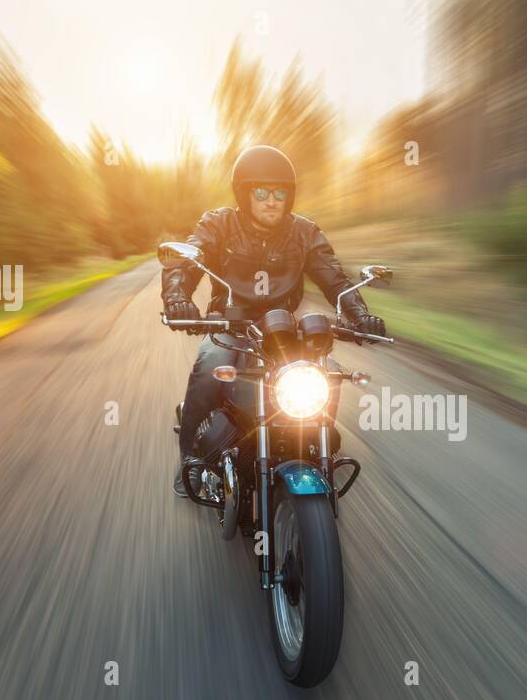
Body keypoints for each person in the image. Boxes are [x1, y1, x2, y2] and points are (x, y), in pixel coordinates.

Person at [162, 145, 385, 496]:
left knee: (327, 371)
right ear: (244, 193)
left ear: (289, 197)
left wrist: (361, 314)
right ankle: (190, 460)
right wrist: (177, 298)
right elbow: (188, 262)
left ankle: (317, 441)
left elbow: (335, 279)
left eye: (279, 193)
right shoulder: (219, 223)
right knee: (210, 367)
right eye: (260, 192)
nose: (270, 200)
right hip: (230, 328)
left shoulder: (304, 232)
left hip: (282, 330)